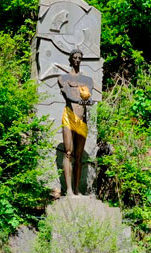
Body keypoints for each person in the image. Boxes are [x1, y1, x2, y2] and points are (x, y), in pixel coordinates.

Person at [57, 48, 94, 196]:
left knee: (79, 156)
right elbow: (67, 94)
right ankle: (69, 191)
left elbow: (89, 97)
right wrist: (80, 99)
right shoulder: (64, 78)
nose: (77, 60)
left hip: (82, 119)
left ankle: (77, 189)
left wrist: (87, 101)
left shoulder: (87, 80)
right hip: (69, 116)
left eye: (79, 57)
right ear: (71, 59)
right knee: (68, 152)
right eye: (75, 57)